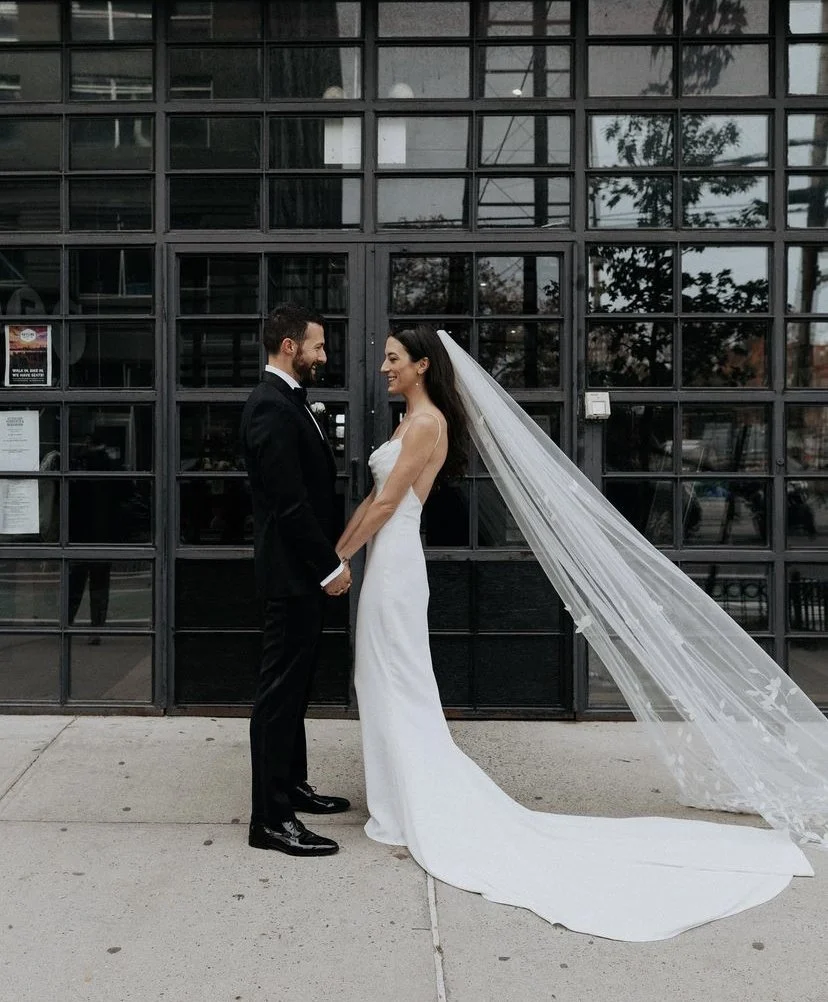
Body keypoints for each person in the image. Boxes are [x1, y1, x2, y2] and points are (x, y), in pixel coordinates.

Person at [336, 324, 815, 942]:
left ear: (424, 366)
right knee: (382, 679)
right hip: (391, 563)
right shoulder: (410, 424)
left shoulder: (426, 425)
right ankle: (399, 800)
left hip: (397, 564)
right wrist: (344, 555)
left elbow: (383, 505)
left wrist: (338, 556)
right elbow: (376, 499)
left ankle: (412, 804)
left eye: (393, 358)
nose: (384, 367)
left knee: (397, 680)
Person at [241, 303, 352, 858]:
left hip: (301, 576)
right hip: (292, 577)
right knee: (278, 697)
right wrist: (328, 566)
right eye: (318, 346)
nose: (323, 355)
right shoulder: (268, 407)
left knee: (297, 686)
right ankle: (270, 820)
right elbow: (288, 503)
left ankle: (293, 786)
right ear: (290, 347)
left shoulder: (292, 402)